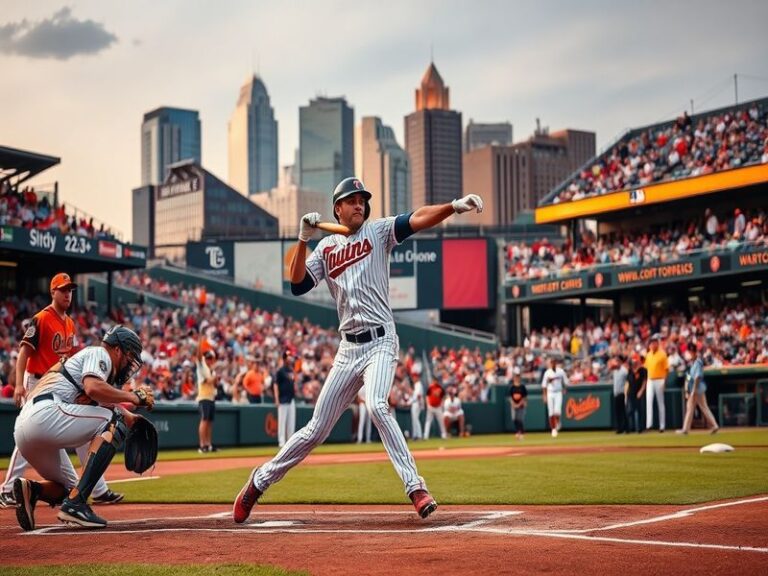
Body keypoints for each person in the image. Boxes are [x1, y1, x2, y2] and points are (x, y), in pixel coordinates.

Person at [233, 176, 483, 522]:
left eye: (362, 200)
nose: (359, 205)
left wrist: (453, 206)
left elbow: (418, 217)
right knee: (315, 429)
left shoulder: (378, 232)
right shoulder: (326, 249)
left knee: (378, 405)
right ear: (337, 208)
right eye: (352, 200)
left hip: (381, 341)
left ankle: (416, 488)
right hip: (348, 350)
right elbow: (297, 285)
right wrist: (303, 240)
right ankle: (257, 483)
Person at [12, 325, 154, 531]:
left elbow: (94, 398)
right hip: (45, 413)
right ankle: (76, 504)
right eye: (129, 357)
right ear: (117, 350)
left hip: (27, 427)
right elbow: (93, 388)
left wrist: (131, 416)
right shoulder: (100, 353)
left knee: (74, 488)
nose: (129, 364)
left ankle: (32, 490)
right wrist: (134, 397)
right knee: (114, 420)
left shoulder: (90, 363)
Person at [1, 273, 122, 508]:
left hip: (59, 383)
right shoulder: (41, 318)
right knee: (27, 433)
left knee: (84, 430)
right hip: (37, 381)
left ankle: (99, 489)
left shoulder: (69, 322)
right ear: (53, 292)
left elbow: (71, 357)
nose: (68, 293)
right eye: (63, 289)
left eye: (70, 290)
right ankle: (6, 489)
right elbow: (24, 351)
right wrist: (18, 384)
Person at [678, 343, 719, 434]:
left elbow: (698, 377)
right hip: (696, 389)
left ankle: (685, 429)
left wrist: (693, 390)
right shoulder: (692, 362)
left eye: (691, 351)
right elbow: (690, 377)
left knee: (694, 408)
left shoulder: (698, 361)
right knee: (697, 407)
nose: (690, 353)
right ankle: (714, 425)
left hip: (697, 389)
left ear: (693, 351)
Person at [196, 336, 217, 453]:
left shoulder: (211, 370)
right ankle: (202, 445)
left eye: (211, 358)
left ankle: (208, 445)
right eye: (208, 358)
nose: (209, 360)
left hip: (211, 397)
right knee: (204, 420)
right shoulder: (201, 366)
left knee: (209, 422)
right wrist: (200, 343)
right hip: (203, 397)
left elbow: (214, 382)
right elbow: (198, 356)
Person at [644, 334, 669, 432]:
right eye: (651, 343)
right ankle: (649, 425)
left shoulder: (662, 354)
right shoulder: (648, 354)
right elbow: (646, 368)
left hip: (660, 379)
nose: (653, 345)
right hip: (650, 380)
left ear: (657, 344)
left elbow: (667, 369)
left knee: (660, 403)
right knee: (648, 401)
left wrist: (665, 382)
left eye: (654, 343)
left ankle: (662, 426)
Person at [273, 351, 298, 448]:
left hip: (291, 399)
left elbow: (293, 382)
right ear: (284, 359)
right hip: (283, 399)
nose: (290, 358)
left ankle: (290, 442)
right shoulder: (280, 370)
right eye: (288, 357)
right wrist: (276, 398)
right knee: (282, 422)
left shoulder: (291, 370)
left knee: (291, 422)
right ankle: (281, 442)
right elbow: (275, 384)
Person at [541, 357, 569, 437]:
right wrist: (544, 395)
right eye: (551, 362)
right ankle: (553, 429)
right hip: (550, 392)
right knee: (551, 412)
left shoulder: (561, 371)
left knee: (557, 411)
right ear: (550, 363)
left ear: (555, 363)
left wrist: (565, 388)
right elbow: (544, 385)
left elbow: (566, 382)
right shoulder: (547, 373)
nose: (552, 364)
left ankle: (558, 422)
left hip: (558, 392)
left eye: (554, 362)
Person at [626, 354, 647, 433]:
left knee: (639, 410)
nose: (635, 362)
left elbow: (644, 382)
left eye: (636, 360)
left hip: (638, 392)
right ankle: (630, 428)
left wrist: (641, 391)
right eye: (633, 361)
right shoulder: (630, 370)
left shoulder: (643, 370)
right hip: (631, 392)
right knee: (630, 410)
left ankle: (640, 428)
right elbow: (628, 381)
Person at [610, 355, 629, 434]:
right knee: (617, 412)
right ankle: (619, 428)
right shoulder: (615, 371)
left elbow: (628, 381)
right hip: (616, 393)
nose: (616, 362)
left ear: (620, 362)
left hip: (622, 393)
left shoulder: (624, 371)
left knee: (623, 411)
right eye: (615, 361)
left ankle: (626, 428)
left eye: (617, 361)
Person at [508, 367, 527, 440]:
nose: (517, 378)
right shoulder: (512, 387)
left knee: (520, 419)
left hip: (521, 405)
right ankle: (517, 432)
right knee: (514, 419)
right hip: (514, 405)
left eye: (518, 376)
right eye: (516, 376)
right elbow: (510, 397)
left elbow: (524, 397)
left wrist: (519, 404)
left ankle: (521, 433)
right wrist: (513, 404)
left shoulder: (522, 387)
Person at [409, 373, 425, 440]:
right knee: (415, 420)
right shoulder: (416, 385)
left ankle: (419, 435)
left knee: (416, 419)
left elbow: (418, 396)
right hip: (416, 403)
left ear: (417, 378)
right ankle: (416, 435)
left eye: (414, 377)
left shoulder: (418, 384)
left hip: (416, 403)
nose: (413, 379)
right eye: (413, 378)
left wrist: (410, 401)